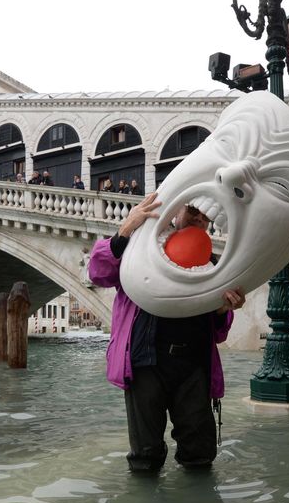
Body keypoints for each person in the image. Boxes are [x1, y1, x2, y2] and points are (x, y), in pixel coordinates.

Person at [88, 193, 245, 473]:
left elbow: (219, 332)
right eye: (192, 212)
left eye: (204, 218)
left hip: (193, 365)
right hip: (144, 361)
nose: (197, 221)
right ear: (176, 211)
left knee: (200, 453)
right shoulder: (139, 245)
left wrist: (224, 309)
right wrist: (126, 229)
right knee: (145, 455)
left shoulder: (213, 263)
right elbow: (98, 273)